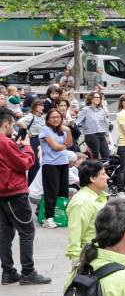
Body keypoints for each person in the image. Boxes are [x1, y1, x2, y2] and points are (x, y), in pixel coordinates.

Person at [0, 111, 49, 285]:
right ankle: (28, 272)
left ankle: (8, 272)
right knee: (26, 231)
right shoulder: (4, 141)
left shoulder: (6, 142)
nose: (12, 128)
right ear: (6, 124)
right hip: (13, 192)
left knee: (5, 233)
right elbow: (24, 164)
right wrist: (27, 147)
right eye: (12, 125)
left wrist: (16, 148)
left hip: (3, 193)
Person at [66, 159, 108, 266]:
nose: (107, 177)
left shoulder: (99, 196)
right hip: (92, 259)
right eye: (103, 174)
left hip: (104, 255)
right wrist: (80, 266)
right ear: (92, 178)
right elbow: (74, 238)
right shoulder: (81, 202)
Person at [39, 106, 73, 228]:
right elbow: (55, 147)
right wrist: (64, 145)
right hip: (50, 164)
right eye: (53, 117)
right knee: (51, 191)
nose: (55, 119)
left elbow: (70, 143)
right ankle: (48, 218)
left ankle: (59, 216)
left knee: (63, 191)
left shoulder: (62, 130)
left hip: (63, 163)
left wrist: (68, 131)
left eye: (58, 117)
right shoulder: (45, 129)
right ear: (48, 119)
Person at [79, 91, 111, 160]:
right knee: (96, 157)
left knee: (106, 156)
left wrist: (107, 136)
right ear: (91, 98)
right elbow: (77, 122)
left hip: (101, 134)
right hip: (91, 135)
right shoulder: (85, 110)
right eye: (96, 97)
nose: (98, 99)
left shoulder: (101, 110)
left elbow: (105, 124)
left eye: (99, 97)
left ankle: (104, 170)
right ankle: (95, 170)